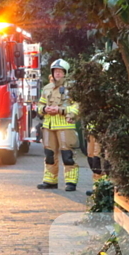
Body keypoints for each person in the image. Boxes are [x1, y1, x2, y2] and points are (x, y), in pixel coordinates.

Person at [37, 59, 80, 191]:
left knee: (67, 156)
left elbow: (77, 105)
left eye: (60, 71)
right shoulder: (47, 88)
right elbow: (40, 105)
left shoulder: (72, 88)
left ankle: (71, 182)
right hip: (49, 126)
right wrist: (44, 109)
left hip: (65, 126)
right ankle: (50, 181)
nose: (58, 74)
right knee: (49, 155)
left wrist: (62, 111)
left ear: (65, 73)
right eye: (56, 71)